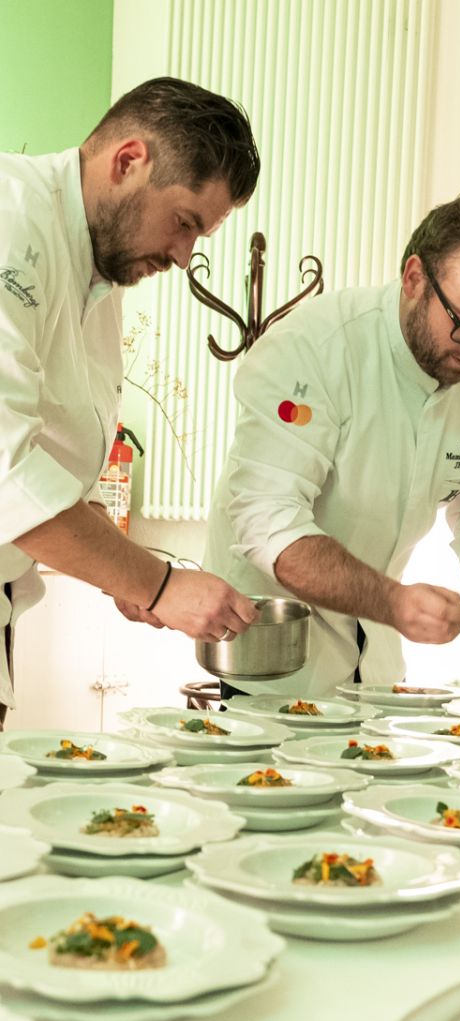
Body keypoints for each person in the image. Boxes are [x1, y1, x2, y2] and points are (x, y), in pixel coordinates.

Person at [204, 187, 460, 695]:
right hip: (272, 651)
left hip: (376, 660)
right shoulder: (314, 348)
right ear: (414, 279)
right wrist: (394, 603)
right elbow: (268, 519)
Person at [0, 77, 263, 726]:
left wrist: (126, 574)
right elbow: (6, 472)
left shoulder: (100, 267)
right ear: (128, 161)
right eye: (184, 222)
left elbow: (60, 452)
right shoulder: (11, 219)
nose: (183, 256)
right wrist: (158, 584)